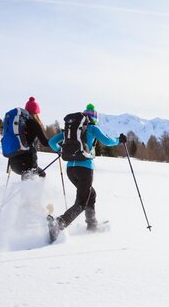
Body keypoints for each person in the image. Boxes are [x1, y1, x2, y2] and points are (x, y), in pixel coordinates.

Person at [47, 103, 127, 241]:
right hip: (84, 169)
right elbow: (107, 141)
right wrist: (119, 140)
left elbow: (52, 142)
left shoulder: (70, 130)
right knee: (82, 202)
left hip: (70, 169)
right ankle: (59, 223)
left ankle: (92, 225)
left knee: (91, 193)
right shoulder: (92, 128)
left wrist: (61, 151)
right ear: (94, 118)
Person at [8, 97, 51, 180]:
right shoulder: (34, 124)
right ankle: (36, 193)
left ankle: (26, 192)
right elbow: (45, 142)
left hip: (13, 162)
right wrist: (59, 145)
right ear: (36, 112)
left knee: (30, 182)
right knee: (41, 176)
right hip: (28, 162)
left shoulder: (18, 124)